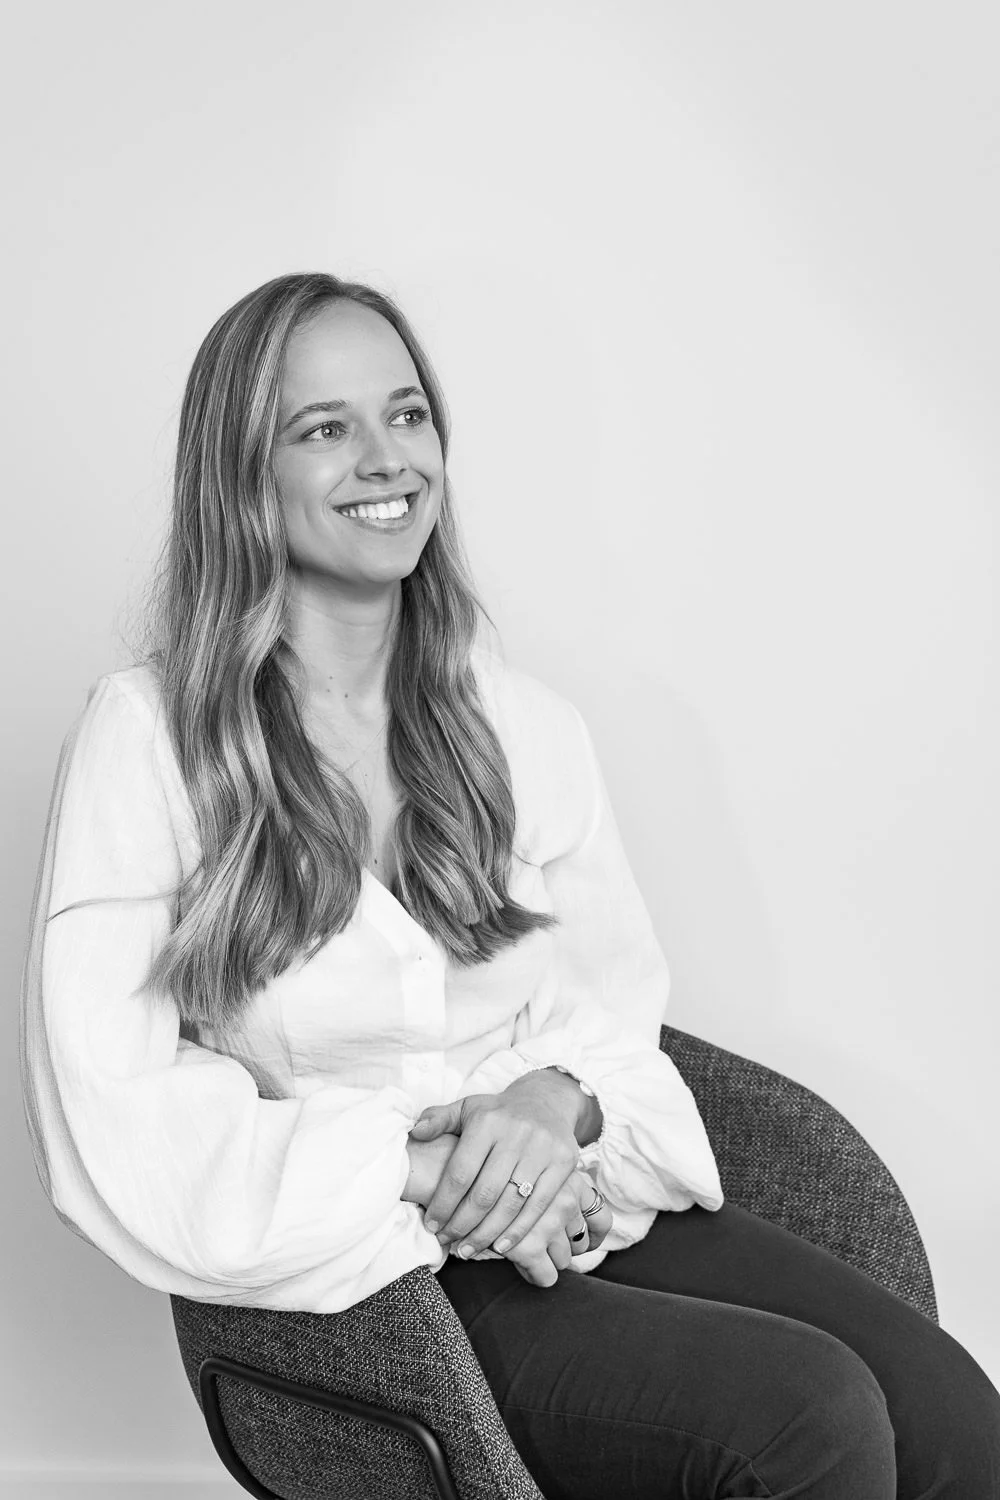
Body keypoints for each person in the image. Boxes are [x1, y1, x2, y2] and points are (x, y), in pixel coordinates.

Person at [20, 270, 1000, 1499]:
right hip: (375, 1276)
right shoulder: (154, 741)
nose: (388, 460)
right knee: (806, 1418)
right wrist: (424, 1170)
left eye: (408, 413)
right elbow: (120, 1112)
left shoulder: (520, 727)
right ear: (242, 475)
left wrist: (552, 1105)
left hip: (580, 1207)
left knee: (959, 1417)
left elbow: (610, 1012)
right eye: (324, 428)